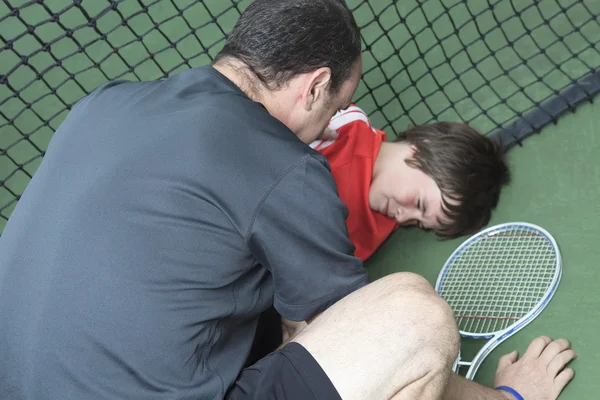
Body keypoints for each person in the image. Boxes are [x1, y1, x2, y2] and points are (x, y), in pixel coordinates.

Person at [0, 1, 575, 400]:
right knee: (414, 314)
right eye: (332, 108)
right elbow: (358, 339)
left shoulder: (105, 102)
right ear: (315, 87)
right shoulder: (286, 166)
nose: (326, 126)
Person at [310, 105, 510, 261]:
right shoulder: (341, 127)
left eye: (418, 223)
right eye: (419, 204)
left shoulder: (376, 231)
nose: (403, 217)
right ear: (422, 149)